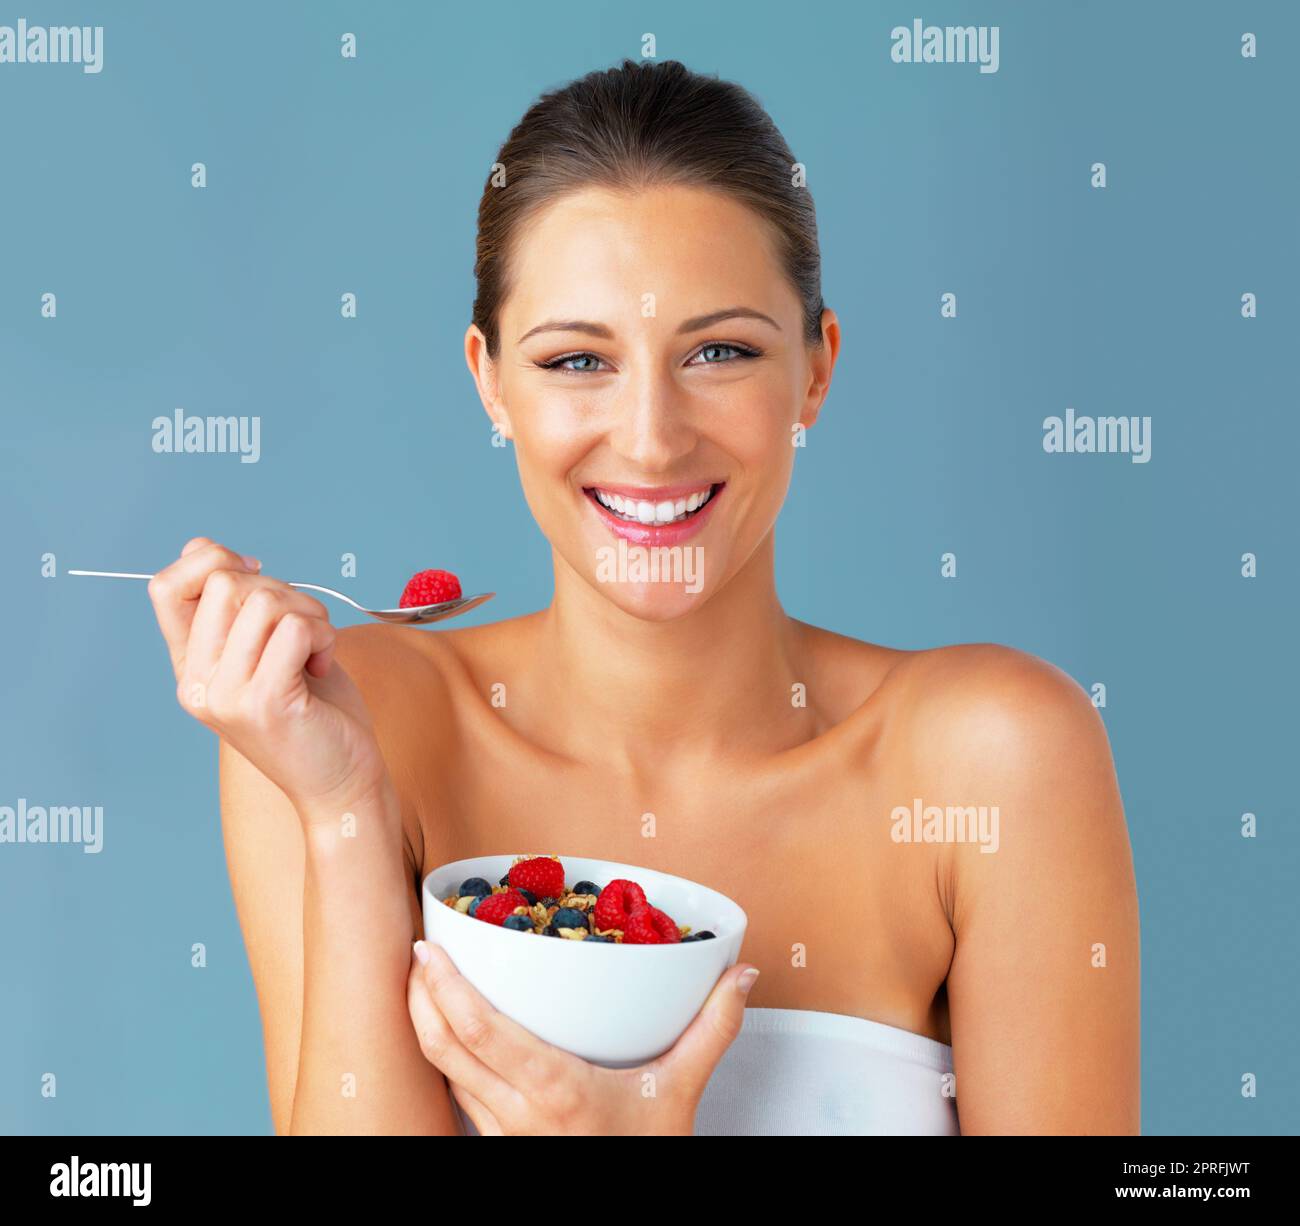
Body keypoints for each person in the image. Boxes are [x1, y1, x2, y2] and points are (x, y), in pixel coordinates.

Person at [147, 59, 1139, 1135]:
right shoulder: (352, 725)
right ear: (490, 381)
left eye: (718, 350)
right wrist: (342, 811)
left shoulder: (995, 753)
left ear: (815, 367)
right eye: (577, 360)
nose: (652, 438)